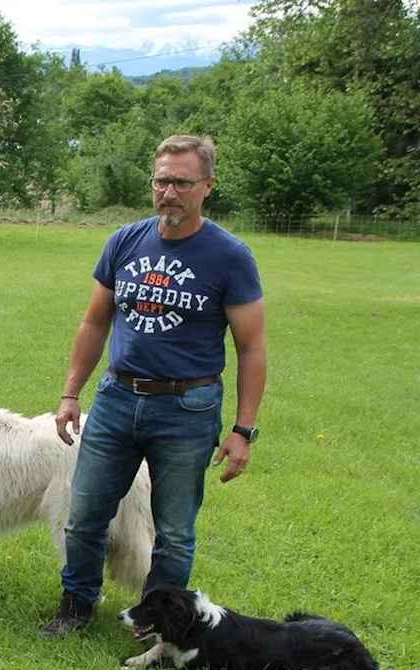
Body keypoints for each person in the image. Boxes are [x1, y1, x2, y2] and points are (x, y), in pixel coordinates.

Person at [40, 134, 267, 637]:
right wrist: (71, 392)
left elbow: (251, 347)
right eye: (161, 180)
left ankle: (160, 623)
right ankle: (77, 603)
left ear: (207, 186)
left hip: (188, 406)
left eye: (182, 182)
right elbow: (94, 323)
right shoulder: (125, 240)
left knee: (176, 532)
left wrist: (243, 431)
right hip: (118, 398)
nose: (169, 192)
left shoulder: (230, 256)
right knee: (84, 515)